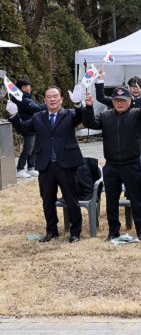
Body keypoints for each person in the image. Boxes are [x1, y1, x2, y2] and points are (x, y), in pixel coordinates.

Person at [82, 81, 141, 242]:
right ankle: (113, 231)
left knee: (136, 199)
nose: (119, 103)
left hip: (131, 164)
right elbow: (90, 123)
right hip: (111, 165)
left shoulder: (137, 114)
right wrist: (88, 107)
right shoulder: (105, 116)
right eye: (116, 100)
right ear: (112, 102)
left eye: (123, 100)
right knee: (111, 201)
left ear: (130, 101)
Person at [7, 87, 84, 243]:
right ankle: (51, 231)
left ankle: (75, 232)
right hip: (46, 165)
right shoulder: (38, 117)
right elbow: (23, 128)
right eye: (49, 97)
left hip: (66, 164)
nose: (52, 99)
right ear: (44, 100)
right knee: (47, 199)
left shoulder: (70, 114)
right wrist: (14, 115)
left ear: (62, 99)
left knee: (71, 199)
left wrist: (78, 104)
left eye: (55, 96)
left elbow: (83, 117)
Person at [12, 79, 39, 178]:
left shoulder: (26, 98)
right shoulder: (21, 99)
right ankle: (20, 169)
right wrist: (45, 105)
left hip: (34, 126)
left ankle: (31, 167)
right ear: (23, 88)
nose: (30, 88)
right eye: (29, 86)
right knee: (28, 149)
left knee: (35, 148)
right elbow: (36, 109)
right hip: (27, 126)